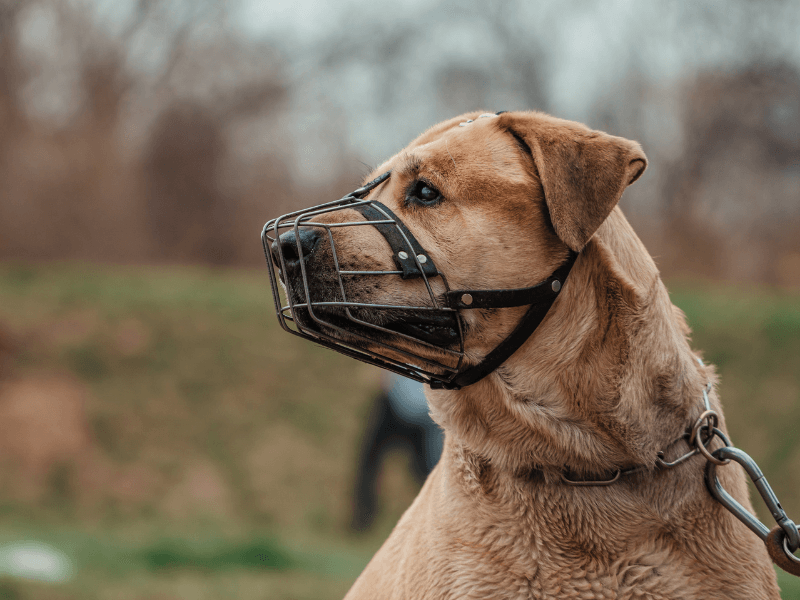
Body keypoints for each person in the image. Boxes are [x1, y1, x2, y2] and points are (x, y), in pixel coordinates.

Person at [351, 372, 443, 531]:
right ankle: (362, 517)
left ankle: (436, 523)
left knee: (428, 476)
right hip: (400, 404)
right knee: (369, 464)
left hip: (423, 416)